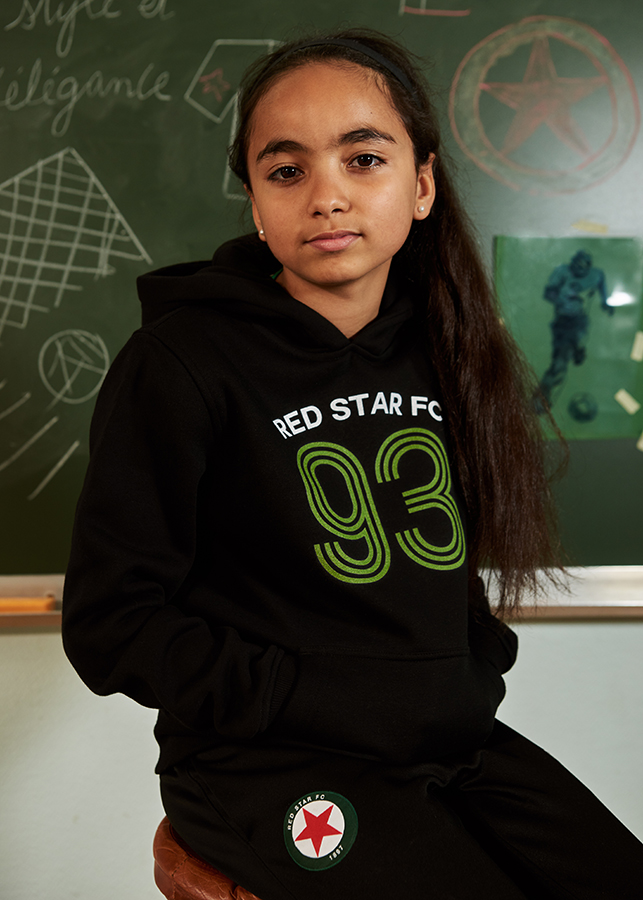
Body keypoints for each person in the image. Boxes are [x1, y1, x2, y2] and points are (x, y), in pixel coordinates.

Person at [62, 29, 643, 900]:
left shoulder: (450, 346)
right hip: (266, 761)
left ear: (421, 184)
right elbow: (110, 624)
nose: (327, 196)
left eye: (363, 159)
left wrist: (464, 668)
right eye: (286, 171)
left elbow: (443, 569)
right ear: (256, 205)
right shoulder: (181, 362)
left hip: (445, 741)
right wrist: (305, 693)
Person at [537, 249, 611, 409]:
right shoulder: (562, 272)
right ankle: (543, 394)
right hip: (563, 322)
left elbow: (601, 281)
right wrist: (565, 297)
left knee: (574, 349)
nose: (579, 270)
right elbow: (548, 293)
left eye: (583, 267)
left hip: (580, 320)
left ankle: (578, 350)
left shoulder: (595, 274)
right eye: (577, 266)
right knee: (560, 362)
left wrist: (605, 302)